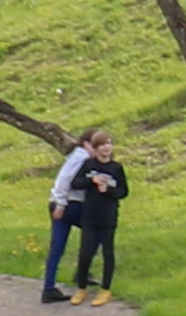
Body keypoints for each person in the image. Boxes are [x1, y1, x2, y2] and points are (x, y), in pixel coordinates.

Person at [41, 129, 128, 303]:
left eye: (106, 143)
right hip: (69, 205)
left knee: (60, 245)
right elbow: (65, 181)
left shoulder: (92, 161)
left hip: (68, 204)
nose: (102, 148)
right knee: (90, 237)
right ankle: (79, 276)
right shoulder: (82, 158)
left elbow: (122, 190)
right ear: (88, 144)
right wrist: (60, 204)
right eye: (97, 144)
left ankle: (52, 285)